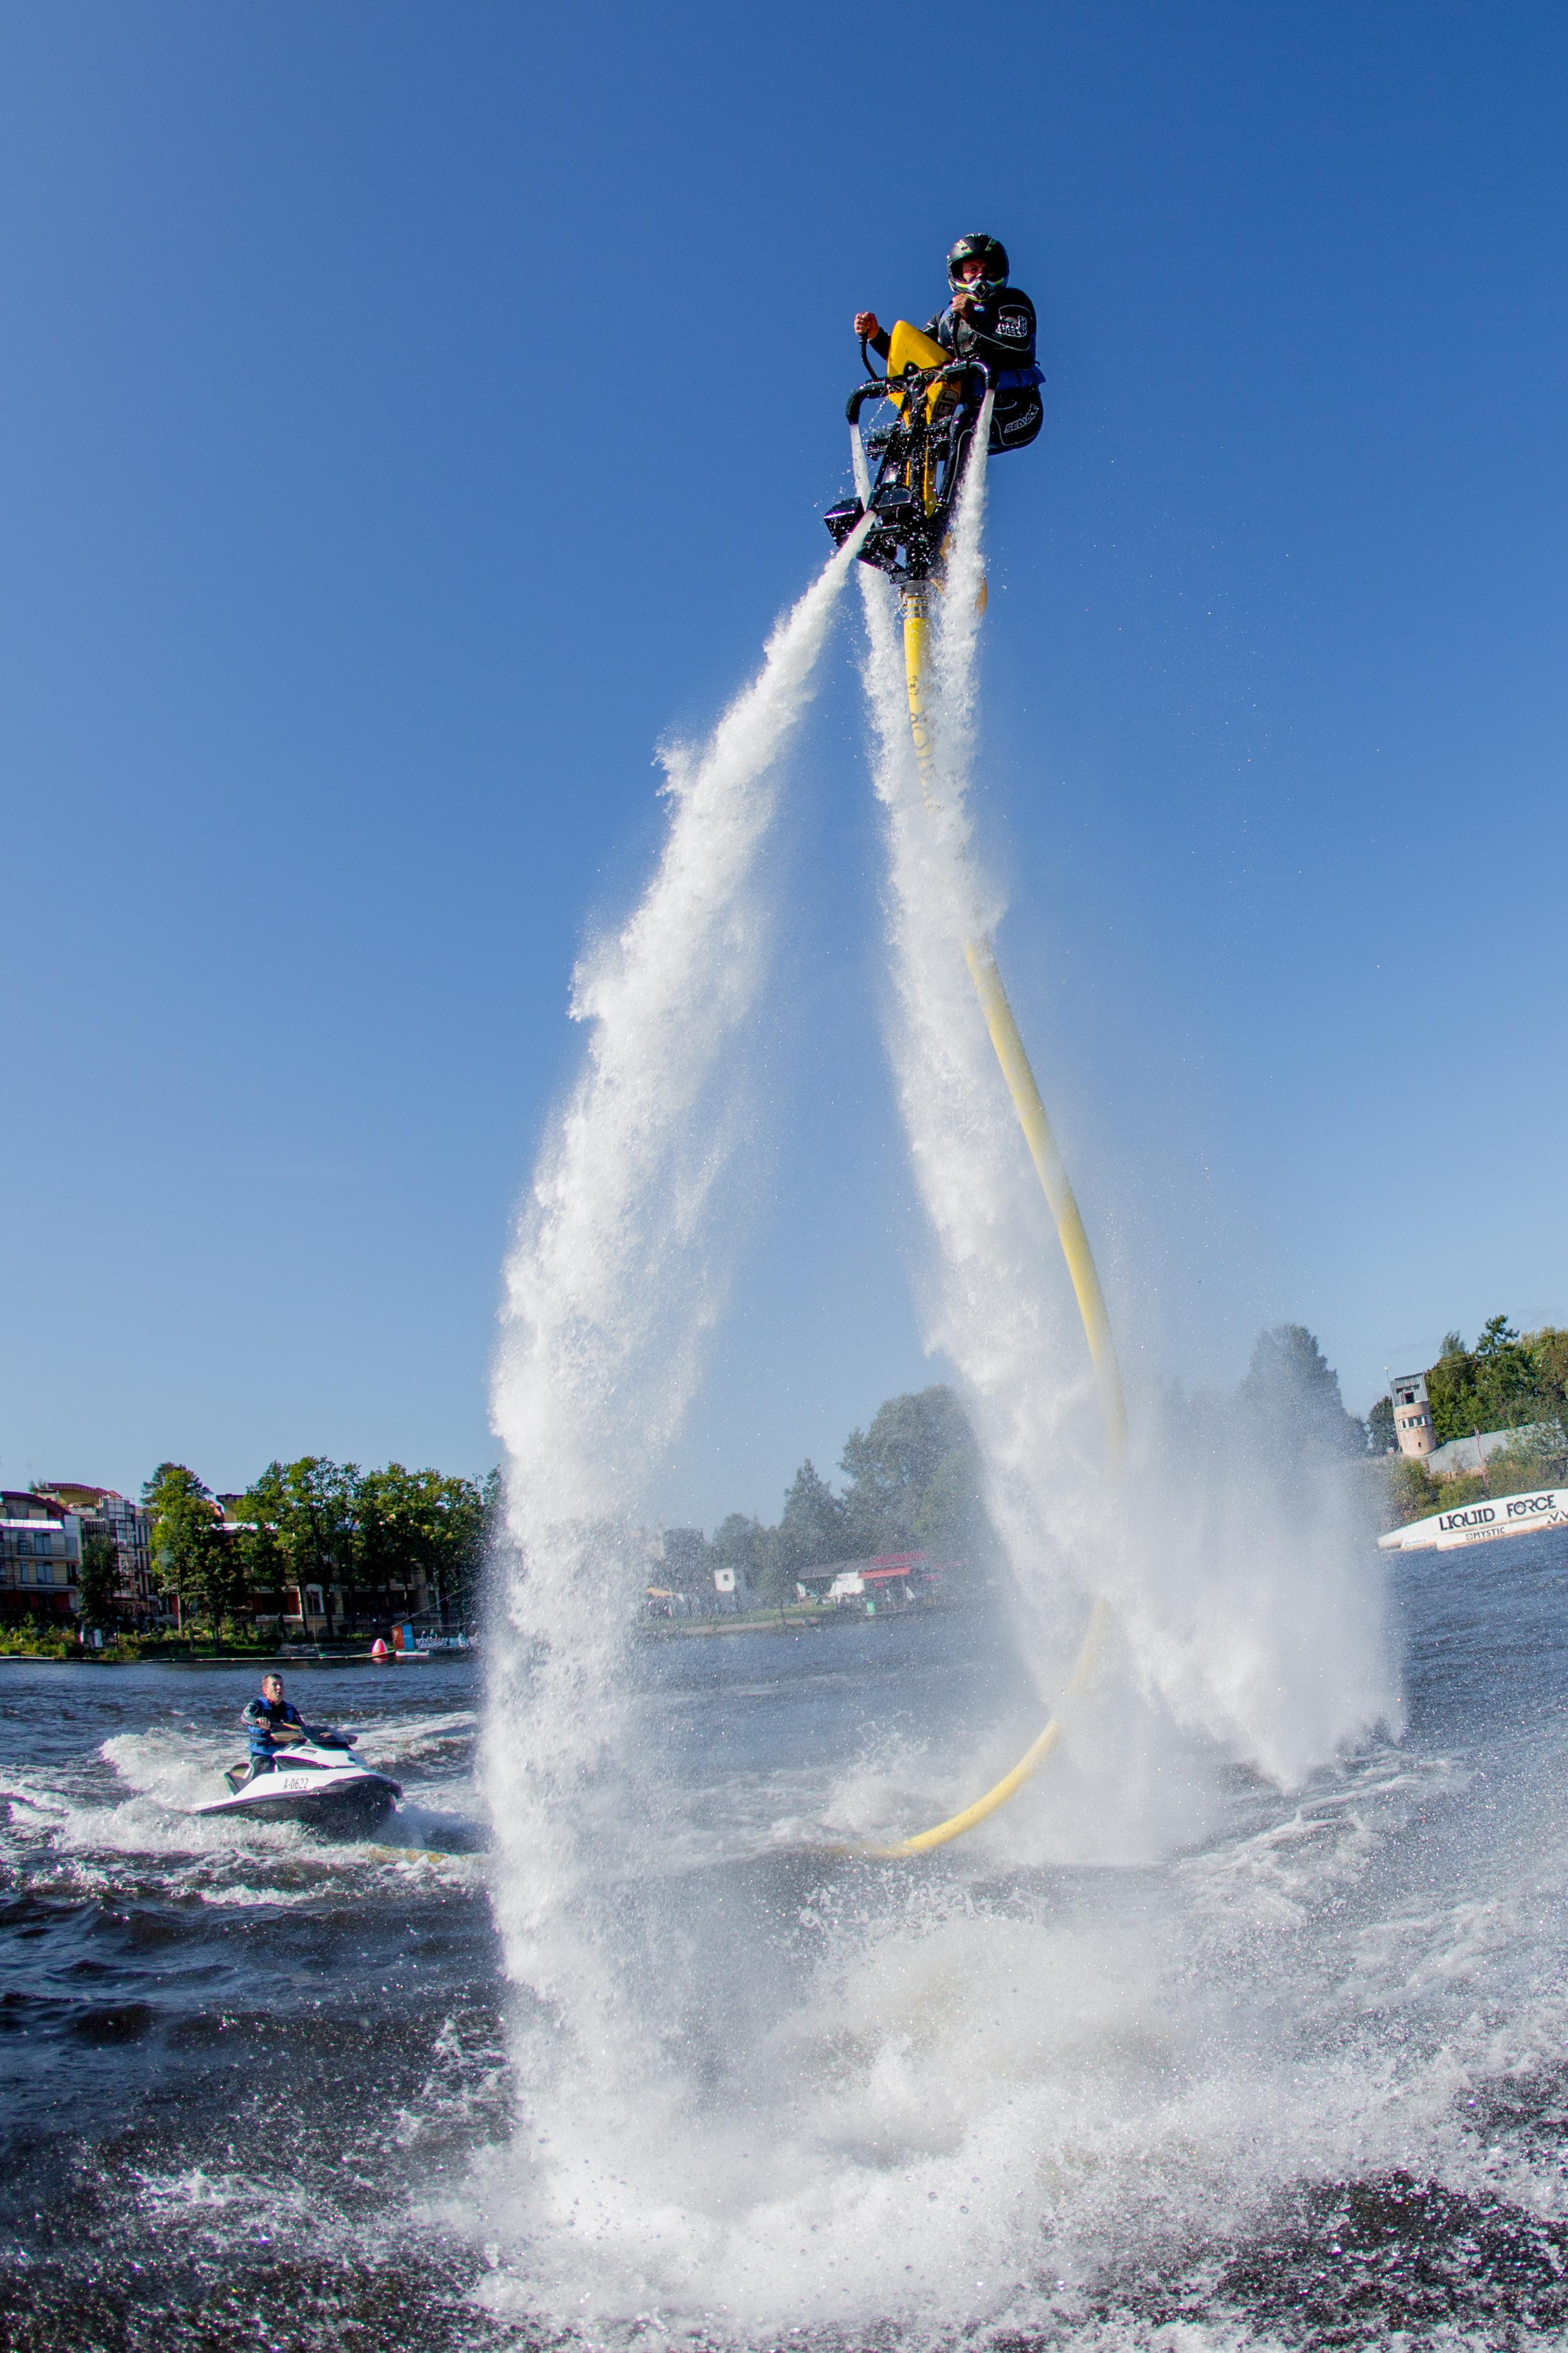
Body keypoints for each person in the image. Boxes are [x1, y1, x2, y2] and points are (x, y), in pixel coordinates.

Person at [853, 234, 1043, 453]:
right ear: (958, 274)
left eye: (987, 270)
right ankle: (901, 487)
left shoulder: (1014, 302)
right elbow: (914, 357)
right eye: (972, 269)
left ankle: (965, 489)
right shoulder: (945, 319)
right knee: (898, 440)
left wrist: (971, 316)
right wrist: (876, 335)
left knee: (962, 428)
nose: (980, 276)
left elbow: (1016, 341)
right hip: (974, 412)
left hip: (1020, 411)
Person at [243, 1671, 307, 1775]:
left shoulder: (290, 1709)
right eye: (275, 1685)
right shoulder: (257, 1704)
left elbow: (304, 1729)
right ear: (266, 1690)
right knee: (266, 1767)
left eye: (281, 1685)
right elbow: (245, 1717)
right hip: (263, 1755)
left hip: (286, 1753)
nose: (279, 1688)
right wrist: (257, 1721)